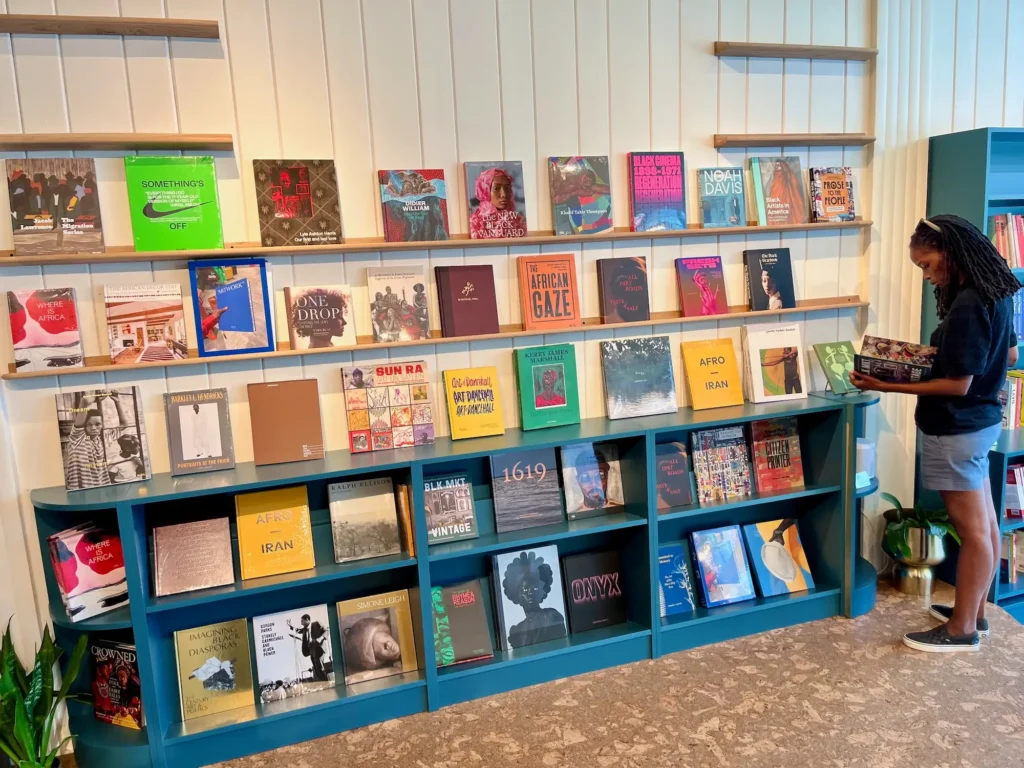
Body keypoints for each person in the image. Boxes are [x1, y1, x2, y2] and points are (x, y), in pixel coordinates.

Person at [851, 215, 1020, 653]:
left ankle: (961, 630)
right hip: (981, 422)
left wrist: (886, 383)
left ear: (950, 252)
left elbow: (958, 385)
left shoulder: (968, 303)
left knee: (973, 530)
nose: (927, 276)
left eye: (927, 265)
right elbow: (1009, 353)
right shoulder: (997, 289)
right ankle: (974, 613)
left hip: (956, 429)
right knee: (985, 523)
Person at [63, 390, 133, 490]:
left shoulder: (104, 439)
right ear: (84, 426)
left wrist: (117, 402)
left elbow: (124, 425)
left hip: (100, 487)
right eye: (89, 424)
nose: (93, 428)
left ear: (102, 425)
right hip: (80, 489)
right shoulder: (78, 438)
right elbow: (84, 402)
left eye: (97, 424)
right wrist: (94, 398)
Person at [501, 551, 567, 649]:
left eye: (535, 588)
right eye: (525, 590)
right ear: (517, 595)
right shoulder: (518, 629)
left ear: (541, 591)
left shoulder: (551, 616)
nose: (530, 593)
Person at [469, 167, 527, 239]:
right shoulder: (474, 225)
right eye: (496, 188)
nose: (504, 194)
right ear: (484, 191)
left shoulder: (519, 223)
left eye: (507, 188)